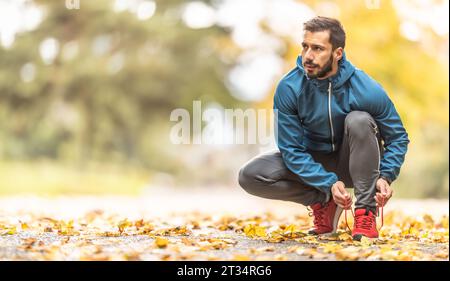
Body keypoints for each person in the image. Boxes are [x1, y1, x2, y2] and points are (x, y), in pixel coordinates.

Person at [238, 16, 409, 240]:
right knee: (251, 175)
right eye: (305, 46)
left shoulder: (366, 88)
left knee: (359, 119)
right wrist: (326, 183)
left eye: (318, 48)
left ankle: (365, 211)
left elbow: (398, 138)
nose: (308, 56)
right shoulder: (289, 87)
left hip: (356, 163)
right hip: (315, 164)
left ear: (337, 53)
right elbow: (291, 149)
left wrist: (386, 175)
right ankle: (322, 201)